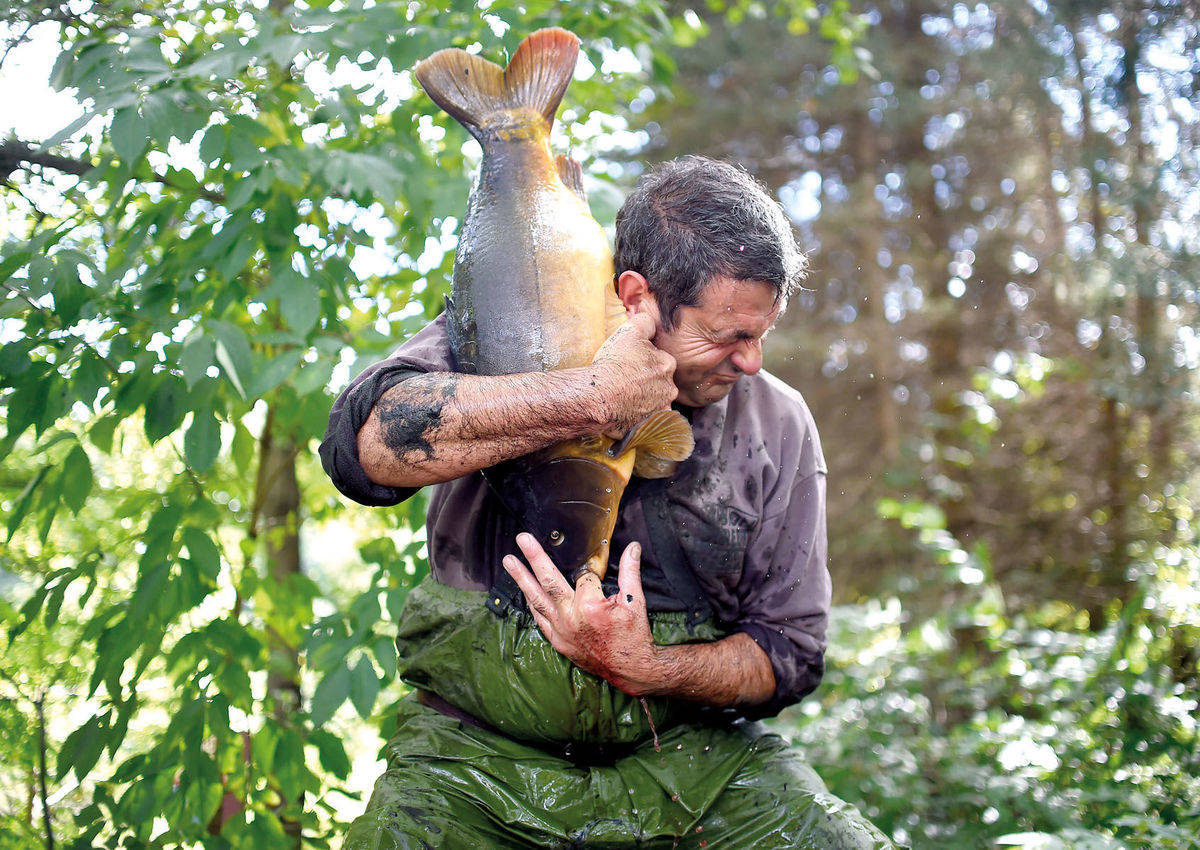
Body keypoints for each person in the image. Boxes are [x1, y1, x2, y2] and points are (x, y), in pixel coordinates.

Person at [320, 156, 895, 848]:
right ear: (637, 297)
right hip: (472, 765)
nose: (752, 362)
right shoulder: (509, 329)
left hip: (695, 766)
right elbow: (361, 449)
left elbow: (791, 652)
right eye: (727, 337)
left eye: (762, 333)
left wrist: (650, 668)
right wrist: (588, 397)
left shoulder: (778, 422)